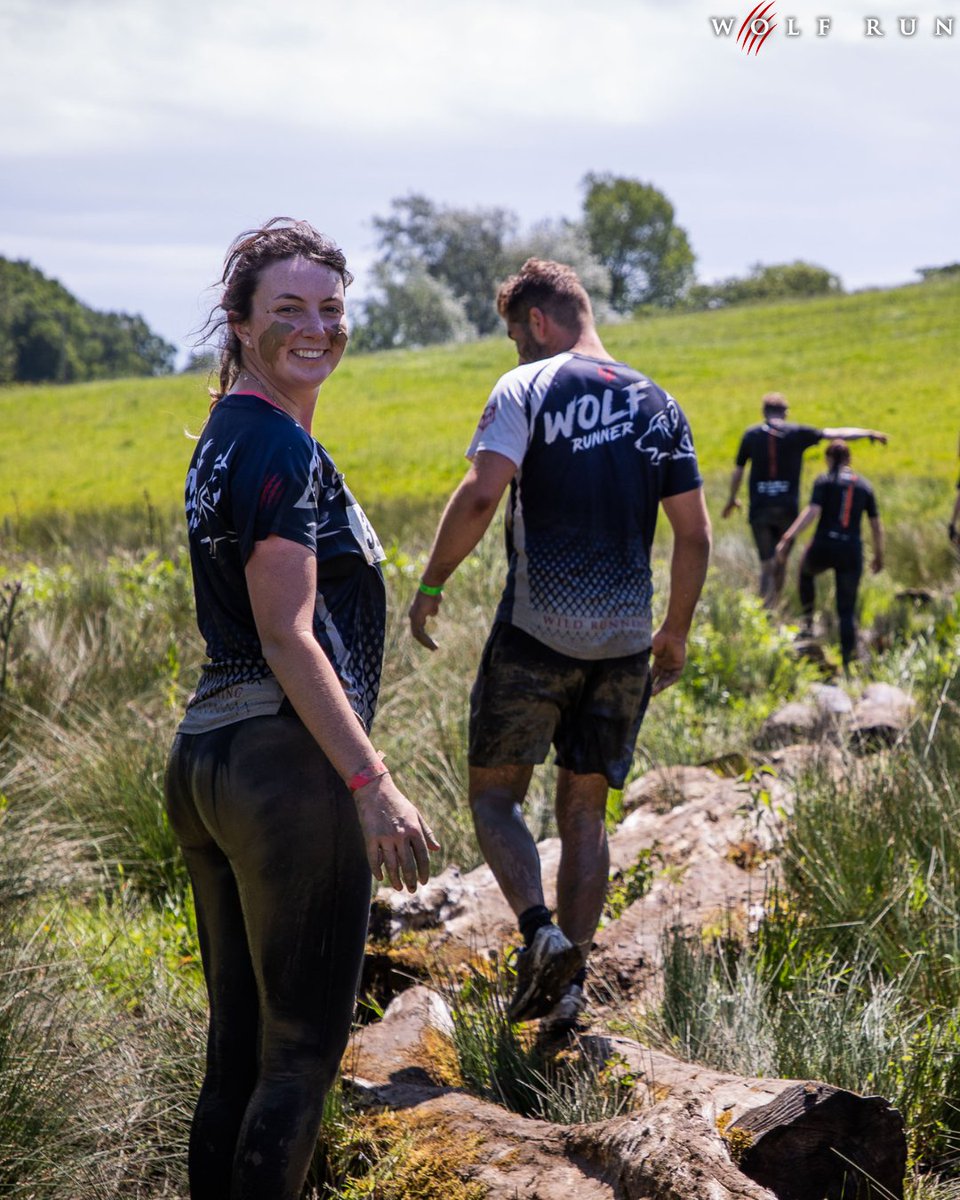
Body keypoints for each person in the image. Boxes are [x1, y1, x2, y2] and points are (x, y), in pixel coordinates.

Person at [164, 218, 438, 1200]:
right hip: (284, 775)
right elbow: (287, 633)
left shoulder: (224, 438)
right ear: (239, 324)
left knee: (238, 1054)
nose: (317, 326)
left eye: (330, 307)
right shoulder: (276, 444)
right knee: (298, 1063)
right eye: (289, 309)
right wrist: (371, 783)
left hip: (207, 760)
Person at [407, 258, 711, 1035]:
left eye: (516, 338)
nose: (516, 353)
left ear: (539, 322)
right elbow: (694, 534)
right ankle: (570, 988)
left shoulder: (527, 388)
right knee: (585, 811)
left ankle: (539, 932)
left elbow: (481, 493)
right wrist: (671, 631)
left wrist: (433, 582)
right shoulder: (660, 402)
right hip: (621, 646)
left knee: (494, 797)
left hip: (535, 635)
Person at [722, 392, 887, 607]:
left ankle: (765, 610)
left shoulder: (751, 435)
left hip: (760, 507)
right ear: (786, 412)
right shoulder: (797, 432)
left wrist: (732, 499)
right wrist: (868, 433)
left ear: (764, 412)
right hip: (787, 508)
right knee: (781, 560)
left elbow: (738, 471)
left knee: (766, 564)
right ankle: (774, 609)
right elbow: (836, 433)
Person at [775, 439, 883, 668]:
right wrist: (879, 554)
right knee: (847, 610)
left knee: (805, 573)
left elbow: (813, 511)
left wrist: (788, 536)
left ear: (828, 459)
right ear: (849, 459)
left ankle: (807, 624)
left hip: (824, 545)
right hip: (851, 549)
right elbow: (875, 524)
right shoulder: (864, 485)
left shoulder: (824, 480)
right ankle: (848, 663)